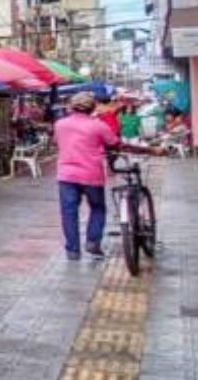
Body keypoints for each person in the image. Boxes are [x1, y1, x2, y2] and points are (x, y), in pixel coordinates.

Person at [54, 92, 159, 261]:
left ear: (71, 106)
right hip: (91, 174)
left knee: (68, 212)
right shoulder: (98, 126)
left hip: (66, 175)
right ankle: (92, 243)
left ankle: (72, 251)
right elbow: (116, 145)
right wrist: (150, 150)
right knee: (97, 208)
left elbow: (57, 142)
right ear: (93, 107)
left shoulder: (60, 124)